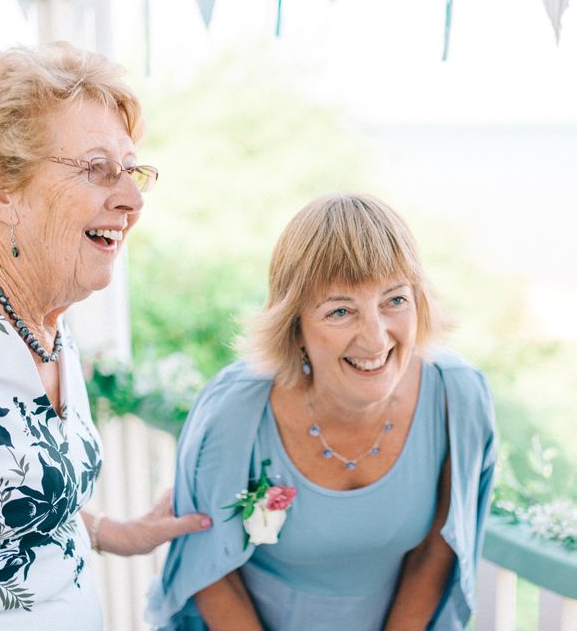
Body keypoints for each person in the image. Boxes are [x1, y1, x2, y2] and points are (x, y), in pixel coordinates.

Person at [0, 42, 210, 630]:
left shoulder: (44, 315)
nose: (132, 200)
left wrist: (111, 532)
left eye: (132, 171)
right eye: (96, 169)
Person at [147, 193, 496, 630]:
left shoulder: (457, 396)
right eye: (340, 310)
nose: (374, 338)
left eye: (394, 300)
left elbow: (437, 550)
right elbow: (210, 570)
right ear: (295, 328)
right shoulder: (235, 411)